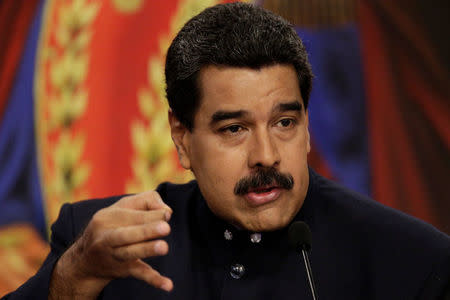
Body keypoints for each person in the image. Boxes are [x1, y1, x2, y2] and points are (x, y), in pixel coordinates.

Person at [3, 2, 449, 300]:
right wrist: (73, 275)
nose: (267, 155)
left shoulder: (412, 261)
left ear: (308, 128)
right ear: (182, 138)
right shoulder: (100, 248)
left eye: (284, 123)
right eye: (234, 129)